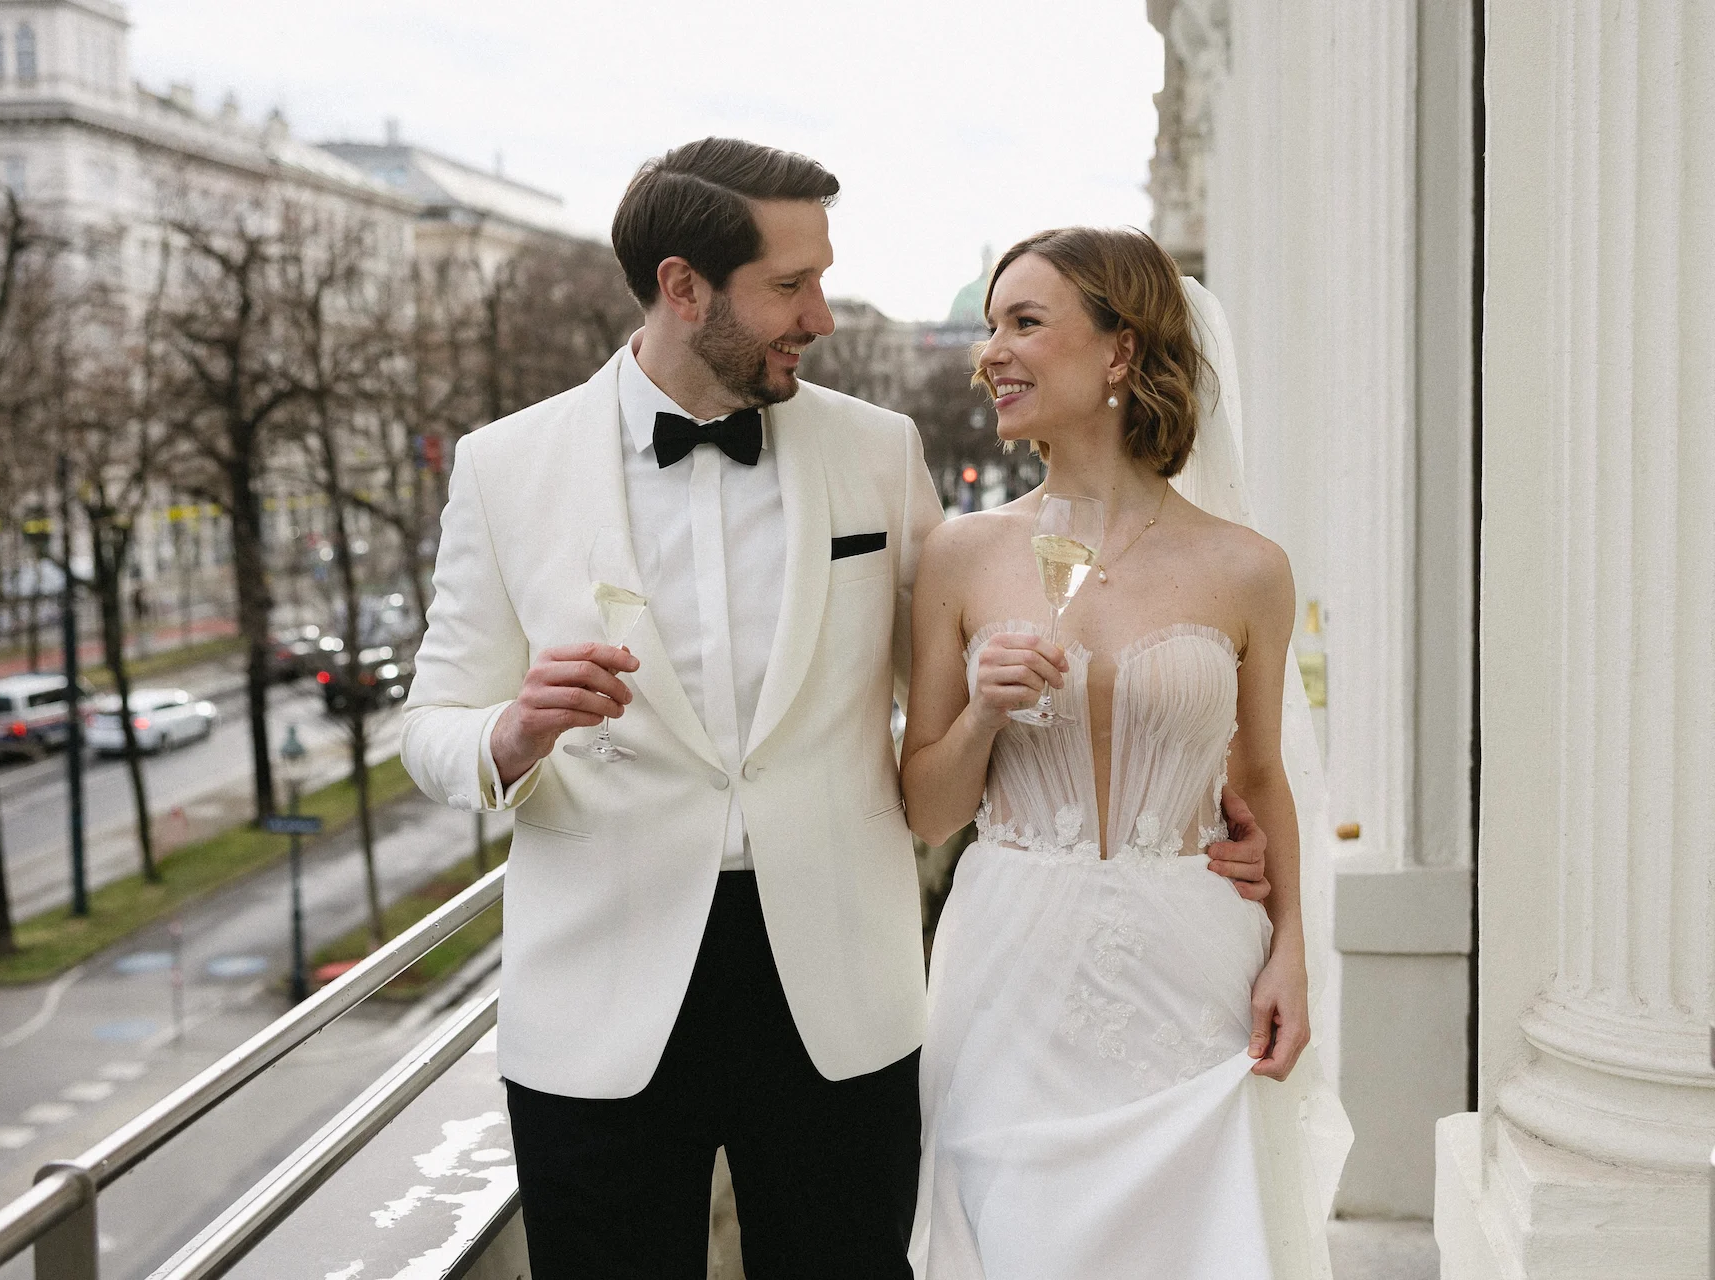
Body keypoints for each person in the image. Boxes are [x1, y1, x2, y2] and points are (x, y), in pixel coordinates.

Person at [401, 141, 1270, 1280]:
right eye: (789, 285)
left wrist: (1192, 800)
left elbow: (991, 668)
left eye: (821, 277)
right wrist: (512, 733)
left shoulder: (877, 450)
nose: (819, 314)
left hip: (840, 997)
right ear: (683, 286)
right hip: (598, 1005)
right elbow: (431, 723)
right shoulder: (505, 465)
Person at [900, 227, 1352, 1278]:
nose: (991, 354)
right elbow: (927, 809)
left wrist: (1290, 948)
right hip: (1010, 975)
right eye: (991, 327)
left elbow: (1261, 778)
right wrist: (982, 713)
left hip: (1194, 971)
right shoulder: (961, 555)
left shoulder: (1248, 568)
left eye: (1024, 323)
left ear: (1120, 349)